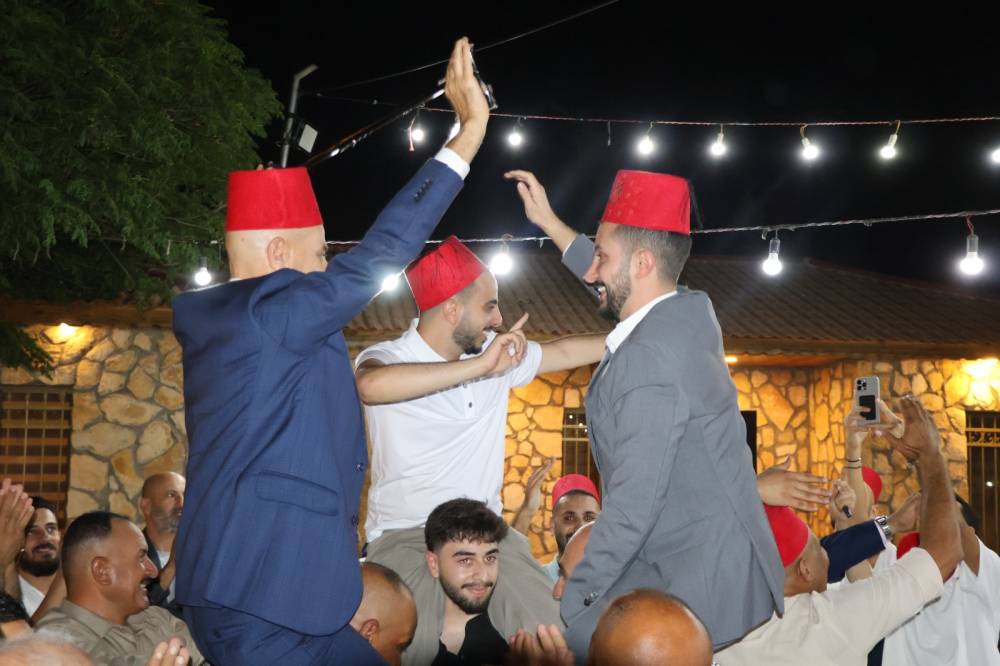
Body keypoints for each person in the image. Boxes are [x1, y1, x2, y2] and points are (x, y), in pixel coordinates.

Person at [170, 37, 490, 664]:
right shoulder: (267, 312)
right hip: (263, 597)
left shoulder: (237, 326)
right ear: (279, 255)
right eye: (320, 256)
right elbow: (379, 256)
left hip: (269, 590)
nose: (327, 270)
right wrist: (467, 137)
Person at [505, 169, 784, 656]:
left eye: (602, 256)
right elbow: (616, 283)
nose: (591, 272)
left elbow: (632, 508)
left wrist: (574, 604)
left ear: (642, 263)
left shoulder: (647, 359)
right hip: (727, 569)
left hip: (699, 587)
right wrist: (550, 222)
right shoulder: (690, 311)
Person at [358, 235, 604, 662]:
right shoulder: (388, 356)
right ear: (452, 309)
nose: (499, 318)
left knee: (556, 638)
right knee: (407, 646)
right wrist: (479, 367)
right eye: (489, 306)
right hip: (405, 534)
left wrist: (631, 334)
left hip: (489, 536)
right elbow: (370, 386)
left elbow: (564, 349)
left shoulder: (497, 357)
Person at [715, 397, 964, 665]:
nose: (829, 554)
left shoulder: (716, 623)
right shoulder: (831, 624)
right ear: (805, 570)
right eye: (820, 547)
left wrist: (749, 493)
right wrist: (928, 454)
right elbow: (944, 553)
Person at [35, 512, 204, 665]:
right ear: (102, 571)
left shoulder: (158, 619)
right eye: (141, 558)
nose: (153, 571)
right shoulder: (53, 644)